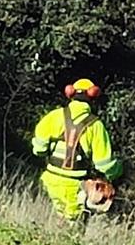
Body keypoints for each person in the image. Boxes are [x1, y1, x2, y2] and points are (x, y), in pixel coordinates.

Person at [30, 78, 120, 219]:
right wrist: (117, 172)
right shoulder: (96, 126)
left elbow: (38, 149)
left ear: (70, 95)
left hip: (48, 180)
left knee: (43, 218)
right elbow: (104, 164)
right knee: (72, 227)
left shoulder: (54, 116)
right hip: (76, 188)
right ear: (93, 97)